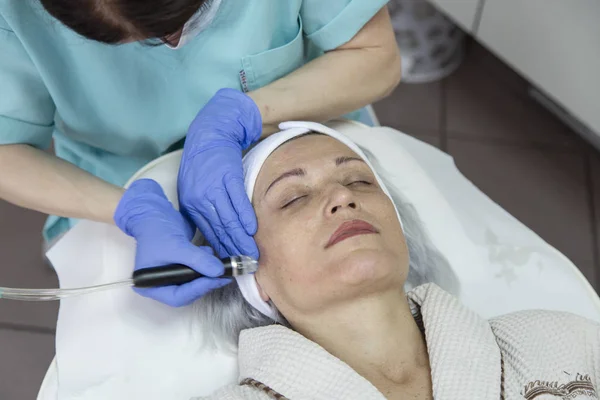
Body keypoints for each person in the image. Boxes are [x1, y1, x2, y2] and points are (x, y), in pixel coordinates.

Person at [0, 0, 401, 307]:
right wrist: (131, 209)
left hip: (308, 123)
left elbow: (376, 56)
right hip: (113, 175)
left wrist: (249, 114)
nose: (172, 45)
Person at [175, 126, 595, 399]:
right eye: (294, 198)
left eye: (358, 180)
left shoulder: (563, 339)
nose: (342, 197)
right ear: (251, 275)